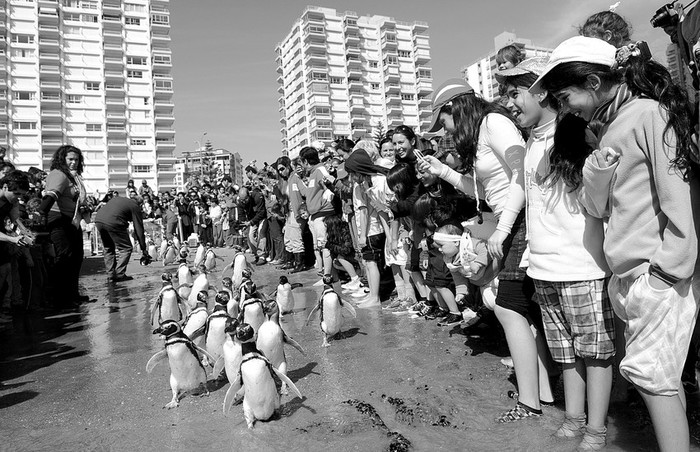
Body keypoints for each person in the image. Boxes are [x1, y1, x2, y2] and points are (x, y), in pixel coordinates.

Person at [536, 36, 700, 452]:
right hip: (630, 277)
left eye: (565, 95)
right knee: (658, 379)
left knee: (651, 378)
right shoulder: (608, 126)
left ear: (592, 81)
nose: (564, 106)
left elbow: (680, 197)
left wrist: (667, 273)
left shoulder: (648, 114)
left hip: (657, 276)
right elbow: (596, 206)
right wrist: (597, 171)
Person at [419, 78, 555, 421]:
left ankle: (530, 403)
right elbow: (483, 188)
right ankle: (542, 393)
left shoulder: (494, 123)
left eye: (444, 121)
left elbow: (522, 174)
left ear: (456, 109)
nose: (444, 131)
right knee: (520, 308)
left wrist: (506, 227)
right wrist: (444, 171)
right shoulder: (481, 133)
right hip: (507, 221)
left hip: (522, 218)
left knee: (509, 305)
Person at [500, 57, 615, 450]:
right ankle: (573, 417)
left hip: (583, 265)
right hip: (545, 266)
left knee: (595, 353)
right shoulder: (531, 141)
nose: (509, 103)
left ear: (542, 91)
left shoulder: (575, 132)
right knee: (566, 354)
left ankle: (596, 429)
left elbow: (597, 200)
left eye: (515, 93)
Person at [38, 145, 89, 308]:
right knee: (64, 257)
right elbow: (50, 196)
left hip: (71, 220)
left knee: (76, 257)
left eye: (77, 159)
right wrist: (40, 214)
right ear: (62, 159)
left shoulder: (74, 177)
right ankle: (59, 297)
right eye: (70, 159)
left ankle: (72, 294)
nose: (74, 162)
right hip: (57, 219)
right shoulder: (58, 174)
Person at [94, 192, 149, 282]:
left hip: (98, 220)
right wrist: (143, 249)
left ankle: (111, 275)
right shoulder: (135, 206)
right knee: (126, 248)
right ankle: (119, 274)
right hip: (114, 222)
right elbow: (139, 229)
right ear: (140, 204)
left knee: (108, 248)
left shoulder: (118, 199)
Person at [300, 146, 336, 279]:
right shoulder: (313, 173)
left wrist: (328, 190)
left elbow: (329, 179)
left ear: (305, 161)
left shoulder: (320, 169)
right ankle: (329, 275)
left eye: (302, 162)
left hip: (323, 214)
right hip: (315, 215)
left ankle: (327, 276)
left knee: (325, 244)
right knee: (322, 245)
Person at [238, 186, 267, 265]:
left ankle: (262, 255)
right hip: (251, 218)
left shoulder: (257, 197)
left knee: (261, 233)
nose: (244, 202)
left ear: (249, 195)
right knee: (250, 235)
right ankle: (256, 254)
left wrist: (251, 222)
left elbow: (262, 212)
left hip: (261, 217)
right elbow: (241, 214)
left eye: (245, 199)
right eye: (242, 200)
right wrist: (243, 223)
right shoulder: (240, 201)